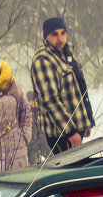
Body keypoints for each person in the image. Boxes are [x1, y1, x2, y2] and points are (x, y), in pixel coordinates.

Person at [31, 17, 95, 155]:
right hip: (61, 132)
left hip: (76, 127)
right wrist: (70, 131)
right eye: (54, 34)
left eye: (63, 33)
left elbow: (79, 89)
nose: (60, 38)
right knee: (72, 173)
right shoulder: (43, 59)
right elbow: (50, 101)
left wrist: (86, 120)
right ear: (46, 36)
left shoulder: (67, 54)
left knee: (79, 171)